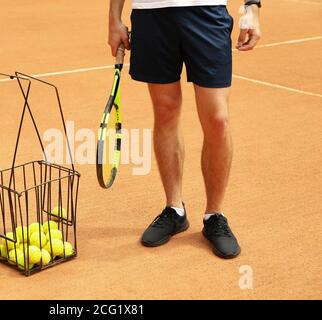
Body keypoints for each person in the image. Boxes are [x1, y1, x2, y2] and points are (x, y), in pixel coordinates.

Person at [108, 0, 261, 259]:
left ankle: (214, 215)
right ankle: (174, 210)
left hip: (206, 11)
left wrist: (252, 8)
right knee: (165, 112)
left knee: (218, 118)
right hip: (151, 13)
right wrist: (114, 18)